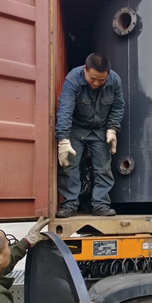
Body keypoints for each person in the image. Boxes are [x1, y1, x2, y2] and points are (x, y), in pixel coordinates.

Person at [55, 53, 125, 218]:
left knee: (104, 168)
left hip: (101, 129)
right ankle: (69, 204)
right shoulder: (73, 78)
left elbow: (118, 106)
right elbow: (65, 109)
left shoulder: (115, 81)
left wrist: (112, 129)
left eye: (101, 80)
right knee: (69, 166)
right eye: (92, 78)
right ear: (85, 69)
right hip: (76, 128)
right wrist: (63, 139)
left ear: (108, 74)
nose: (95, 83)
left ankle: (100, 205)